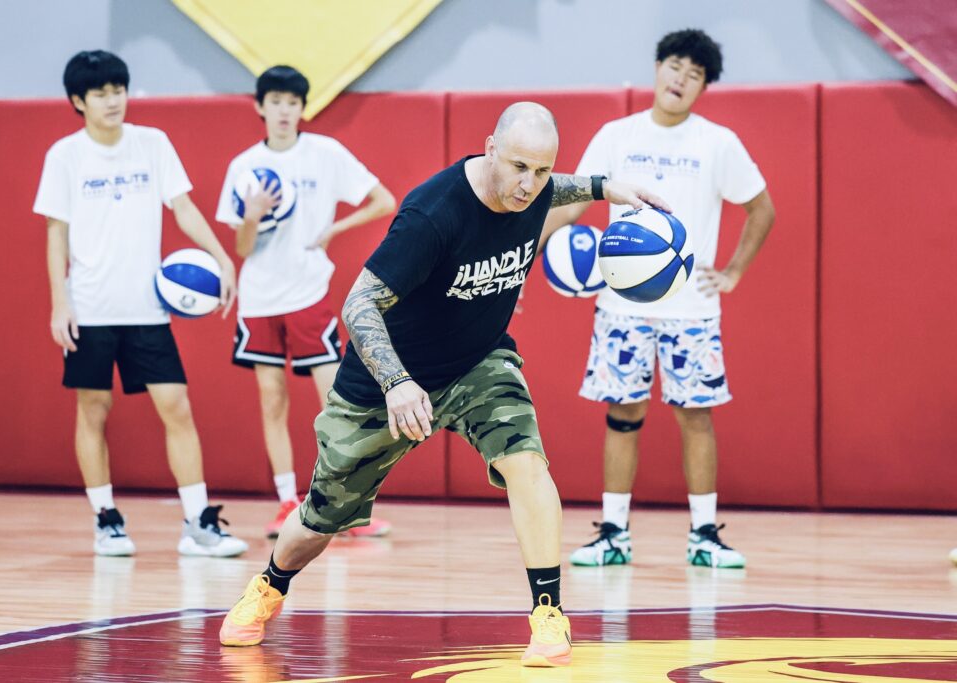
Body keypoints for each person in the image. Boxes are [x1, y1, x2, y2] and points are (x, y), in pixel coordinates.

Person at [216, 102, 669, 668]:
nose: (529, 185)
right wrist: (397, 382)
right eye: (519, 167)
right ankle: (269, 585)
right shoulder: (433, 213)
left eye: (542, 170)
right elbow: (359, 304)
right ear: (490, 149)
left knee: (526, 463)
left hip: (478, 362)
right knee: (320, 519)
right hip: (388, 379)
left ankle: (549, 614)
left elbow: (555, 190)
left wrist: (606, 188)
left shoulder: (532, 190)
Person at [544, 29, 776, 569]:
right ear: (657, 68)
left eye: (695, 74)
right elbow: (573, 205)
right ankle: (613, 534)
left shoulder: (717, 142)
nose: (681, 79)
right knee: (622, 413)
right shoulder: (616, 135)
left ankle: (704, 536)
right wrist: (524, 257)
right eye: (675, 66)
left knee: (696, 415)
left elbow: (762, 209)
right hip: (621, 308)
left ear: (703, 87)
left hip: (690, 311)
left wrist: (734, 272)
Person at [33, 50, 248, 558]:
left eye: (119, 90)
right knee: (93, 408)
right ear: (78, 101)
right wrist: (60, 302)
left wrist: (222, 259)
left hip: (147, 309)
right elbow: (56, 233)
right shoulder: (65, 156)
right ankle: (106, 519)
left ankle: (197, 523)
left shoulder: (152, 144)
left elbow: (184, 208)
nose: (113, 101)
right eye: (101, 93)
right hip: (90, 308)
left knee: (176, 406)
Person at [215, 66, 396, 538]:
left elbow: (384, 200)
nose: (284, 110)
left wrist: (334, 229)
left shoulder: (325, 154)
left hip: (309, 295)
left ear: (302, 108)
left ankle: (345, 506)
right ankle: (285, 503)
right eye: (275, 101)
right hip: (259, 300)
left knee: (337, 402)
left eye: (292, 102)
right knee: (272, 400)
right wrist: (252, 215)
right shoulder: (243, 166)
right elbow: (242, 248)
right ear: (260, 106)